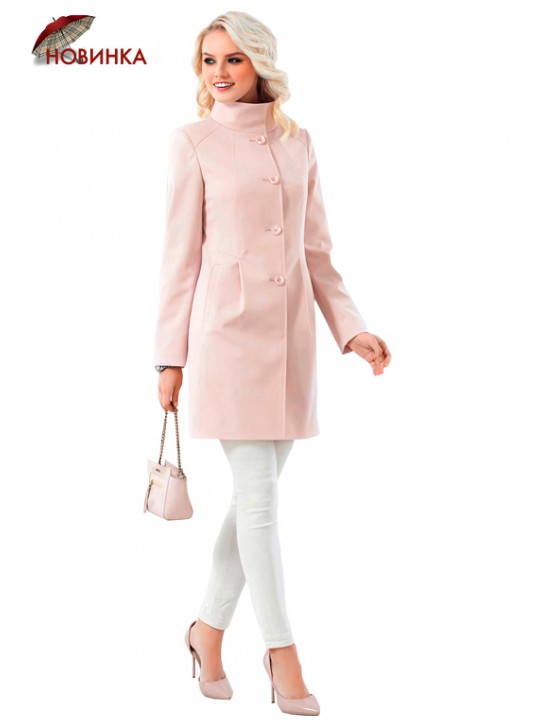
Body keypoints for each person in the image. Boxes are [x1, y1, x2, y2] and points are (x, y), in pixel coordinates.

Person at [153, 11, 391, 717]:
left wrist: (352, 329)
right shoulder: (192, 142)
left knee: (250, 503)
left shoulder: (298, 141)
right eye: (209, 60)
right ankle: (283, 655)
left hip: (290, 345)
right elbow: (178, 259)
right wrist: (169, 358)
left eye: (233, 58)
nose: (220, 72)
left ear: (259, 62)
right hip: (225, 341)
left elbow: (317, 253)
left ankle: (206, 631)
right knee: (259, 501)